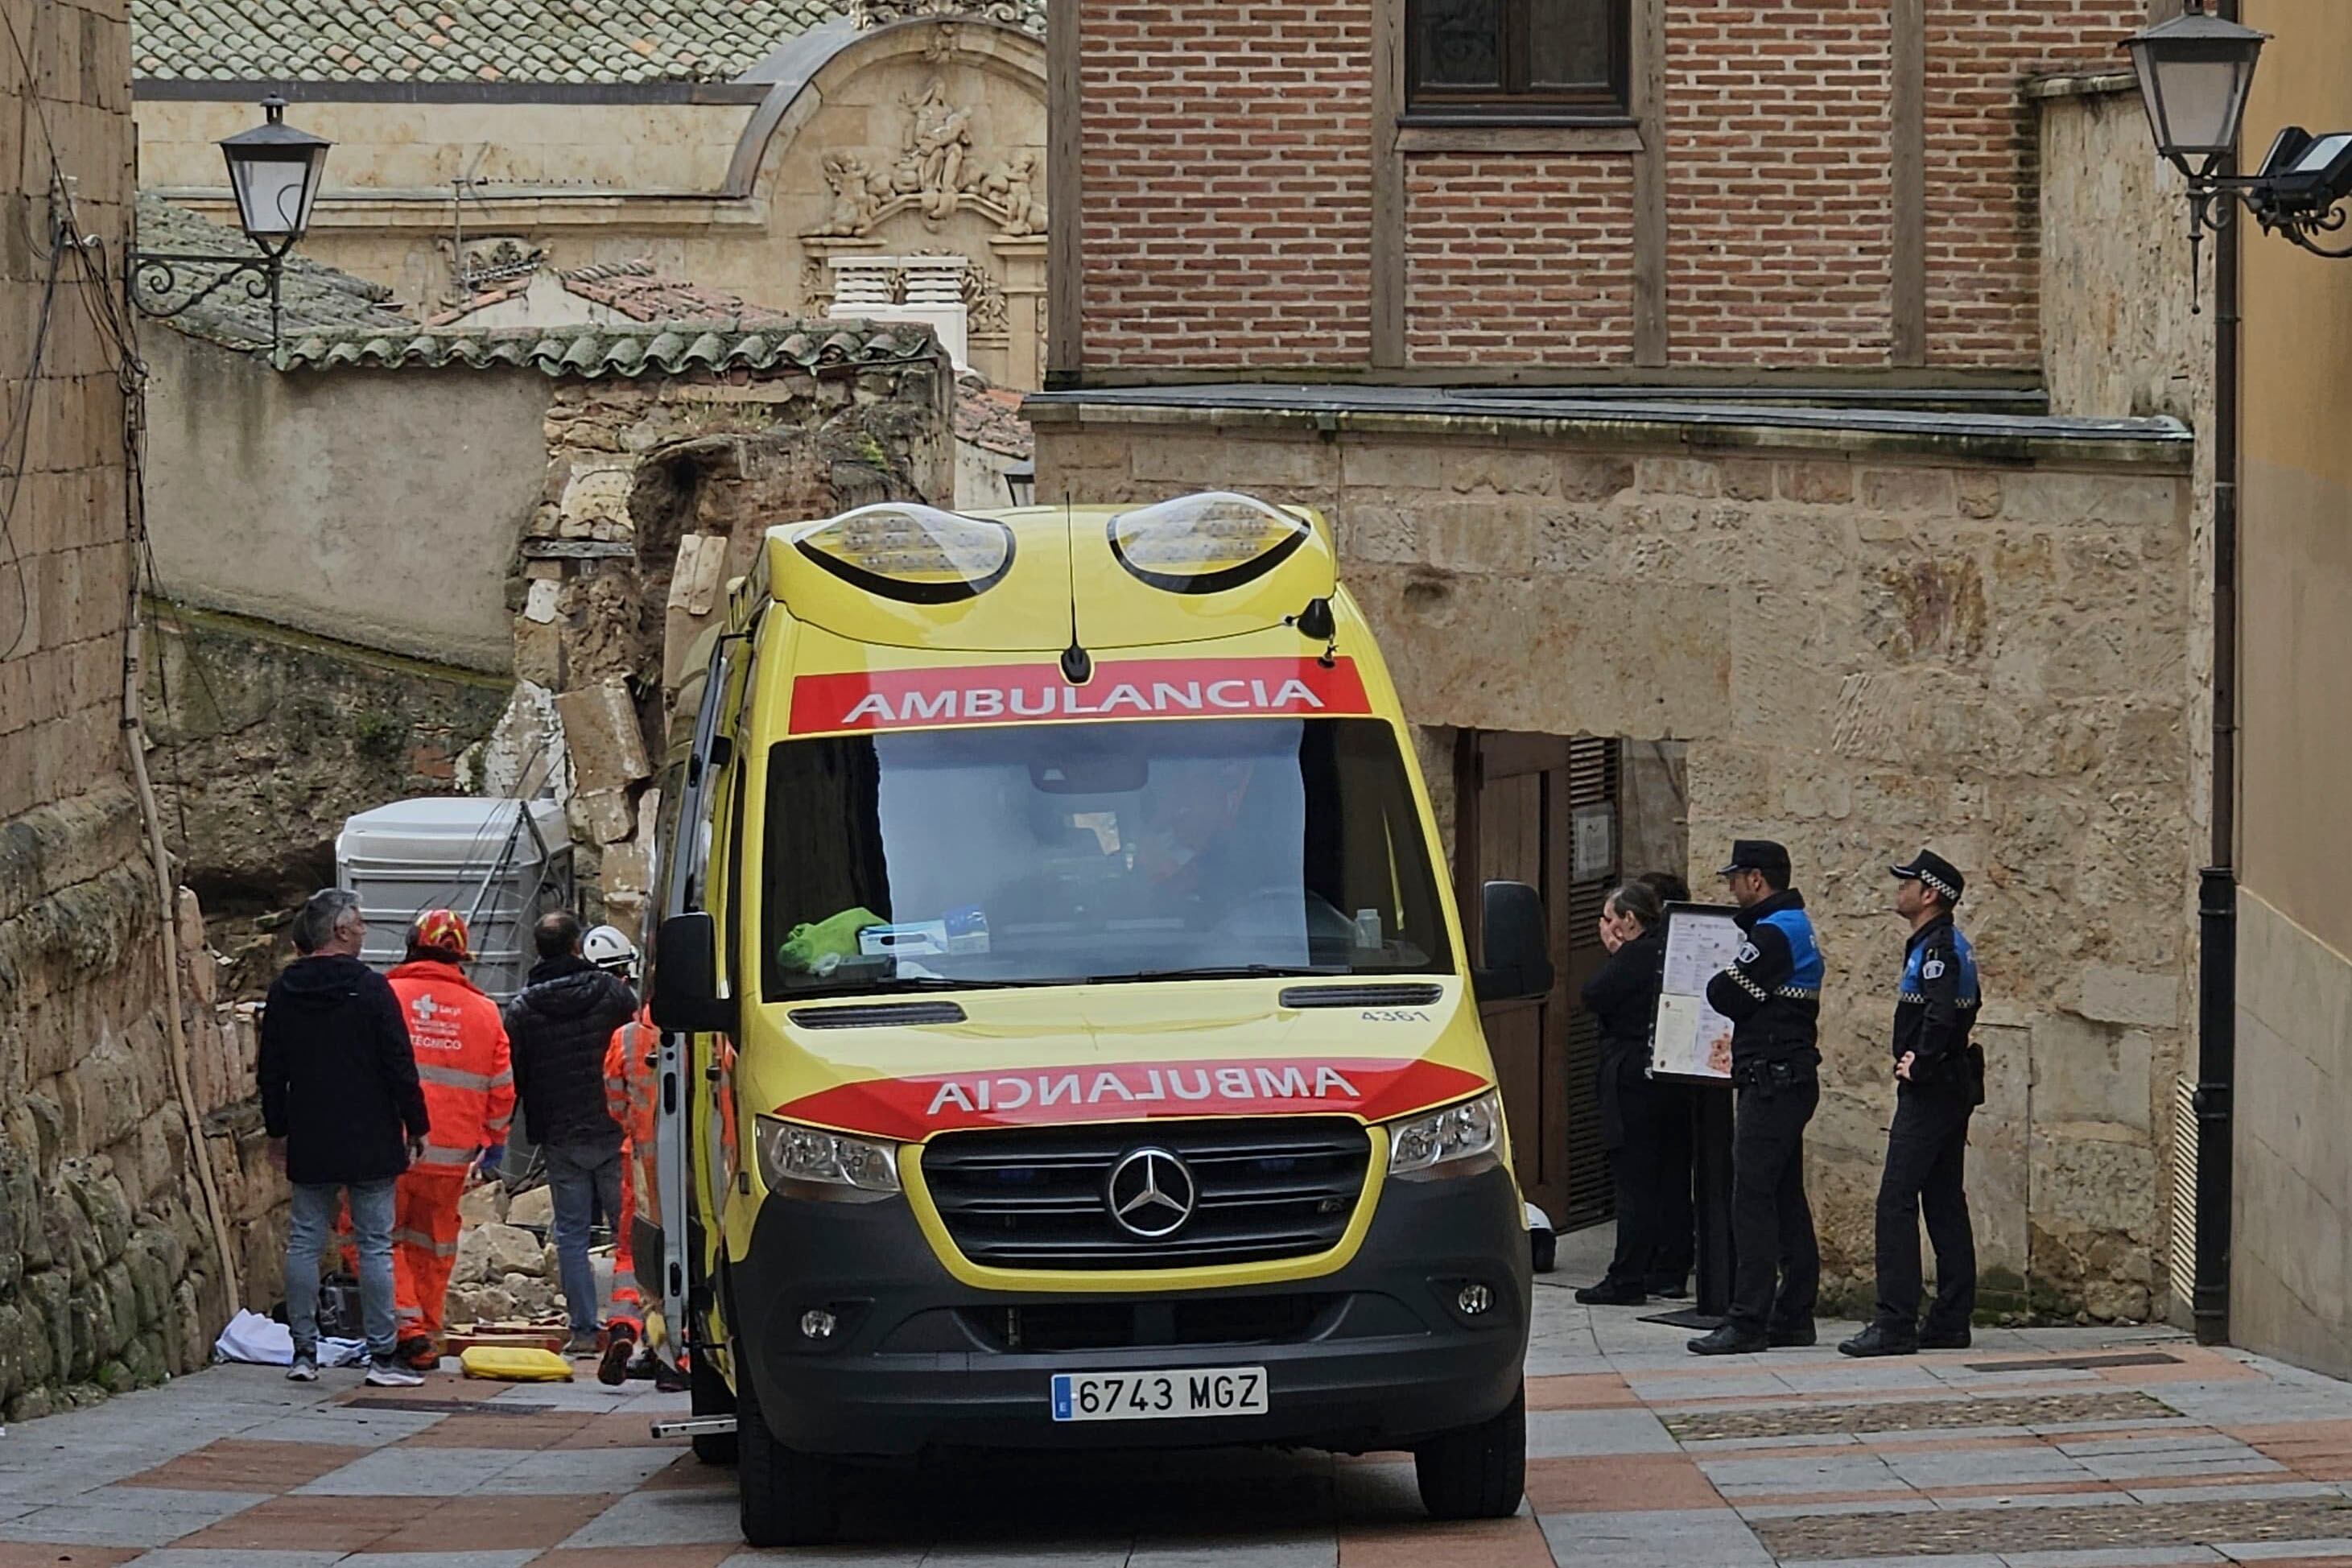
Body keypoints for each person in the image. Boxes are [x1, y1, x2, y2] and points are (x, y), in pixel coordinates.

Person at [258, 888, 431, 1387]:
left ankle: (304, 1352)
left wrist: (278, 1129)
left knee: (305, 1240)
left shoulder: (284, 991)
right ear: (339, 931)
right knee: (375, 1244)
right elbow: (398, 1061)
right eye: (357, 924)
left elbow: (271, 1069)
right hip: (370, 1132)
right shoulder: (371, 989)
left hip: (311, 1130)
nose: (363, 931)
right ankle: (381, 1355)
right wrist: (416, 1122)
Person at [1842, 851, 1984, 1358]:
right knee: (1944, 1201)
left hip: (1932, 1091)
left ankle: (1895, 1322)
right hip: (1949, 1089)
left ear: (1930, 894)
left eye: (1907, 883)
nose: (1897, 889)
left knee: (1895, 1200)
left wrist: (1919, 1063)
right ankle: (1950, 1319)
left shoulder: (1940, 947)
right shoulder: (1942, 943)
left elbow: (1942, 1014)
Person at [1688, 840, 1824, 1355]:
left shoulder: (1773, 934)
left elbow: (1725, 994)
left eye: (1734, 878)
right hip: (1786, 1077)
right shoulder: (1794, 925)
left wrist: (1728, 980)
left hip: (1773, 1079)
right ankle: (1794, 1315)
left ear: (1756, 880)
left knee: (1752, 1199)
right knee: (1785, 1197)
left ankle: (1748, 1320)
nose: (1731, 888)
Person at [384, 910, 514, 1369]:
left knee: (376, 1237)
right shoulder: (484, 1011)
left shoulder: (388, 996)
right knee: (434, 1246)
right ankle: (428, 1330)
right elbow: (502, 1086)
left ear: (412, 944)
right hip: (452, 1157)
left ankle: (408, 1329)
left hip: (391, 1148)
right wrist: (494, 1142)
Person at [505, 911, 638, 1356]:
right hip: (613, 1126)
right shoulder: (613, 993)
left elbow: (517, 1078)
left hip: (561, 1135)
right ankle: (630, 1323)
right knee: (629, 1233)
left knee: (572, 1235)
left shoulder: (523, 1009)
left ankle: (583, 1332)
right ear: (579, 946)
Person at [1574, 880, 1671, 1306]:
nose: (1605, 927)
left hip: (1631, 1076)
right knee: (1660, 1177)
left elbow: (1594, 994)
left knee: (1633, 1180)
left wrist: (1617, 951)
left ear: (1629, 921)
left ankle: (1628, 1275)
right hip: (1660, 1077)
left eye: (1610, 918)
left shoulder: (1636, 954)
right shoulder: (1668, 949)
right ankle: (1661, 1267)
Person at [1635, 869, 1696, 1298]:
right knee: (1669, 1176)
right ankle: (1670, 1262)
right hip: (1675, 1075)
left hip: (1666, 1077)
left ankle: (1667, 1263)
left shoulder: (1654, 953)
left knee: (1662, 1177)